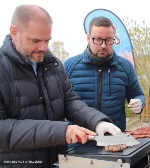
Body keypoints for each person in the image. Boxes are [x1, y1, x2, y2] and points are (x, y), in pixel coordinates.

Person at [0, 5, 122, 168]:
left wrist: (97, 121)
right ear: (14, 32)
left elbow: (70, 101)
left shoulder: (53, 64)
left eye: (47, 41)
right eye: (35, 41)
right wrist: (61, 131)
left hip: (57, 160)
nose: (43, 48)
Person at [64, 16, 145, 132]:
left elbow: (137, 94)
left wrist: (140, 103)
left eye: (108, 40)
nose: (103, 45)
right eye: (97, 39)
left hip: (115, 139)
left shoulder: (125, 66)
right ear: (88, 38)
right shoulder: (69, 66)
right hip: (80, 141)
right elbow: (61, 104)